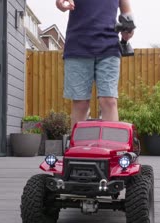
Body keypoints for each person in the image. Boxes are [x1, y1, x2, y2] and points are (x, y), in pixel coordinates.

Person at [55, 0, 134, 128]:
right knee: (81, 103)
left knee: (109, 101)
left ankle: (111, 146)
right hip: (78, 46)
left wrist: (128, 27)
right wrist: (62, 4)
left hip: (109, 46)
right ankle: (79, 146)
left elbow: (127, 12)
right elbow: (61, 2)